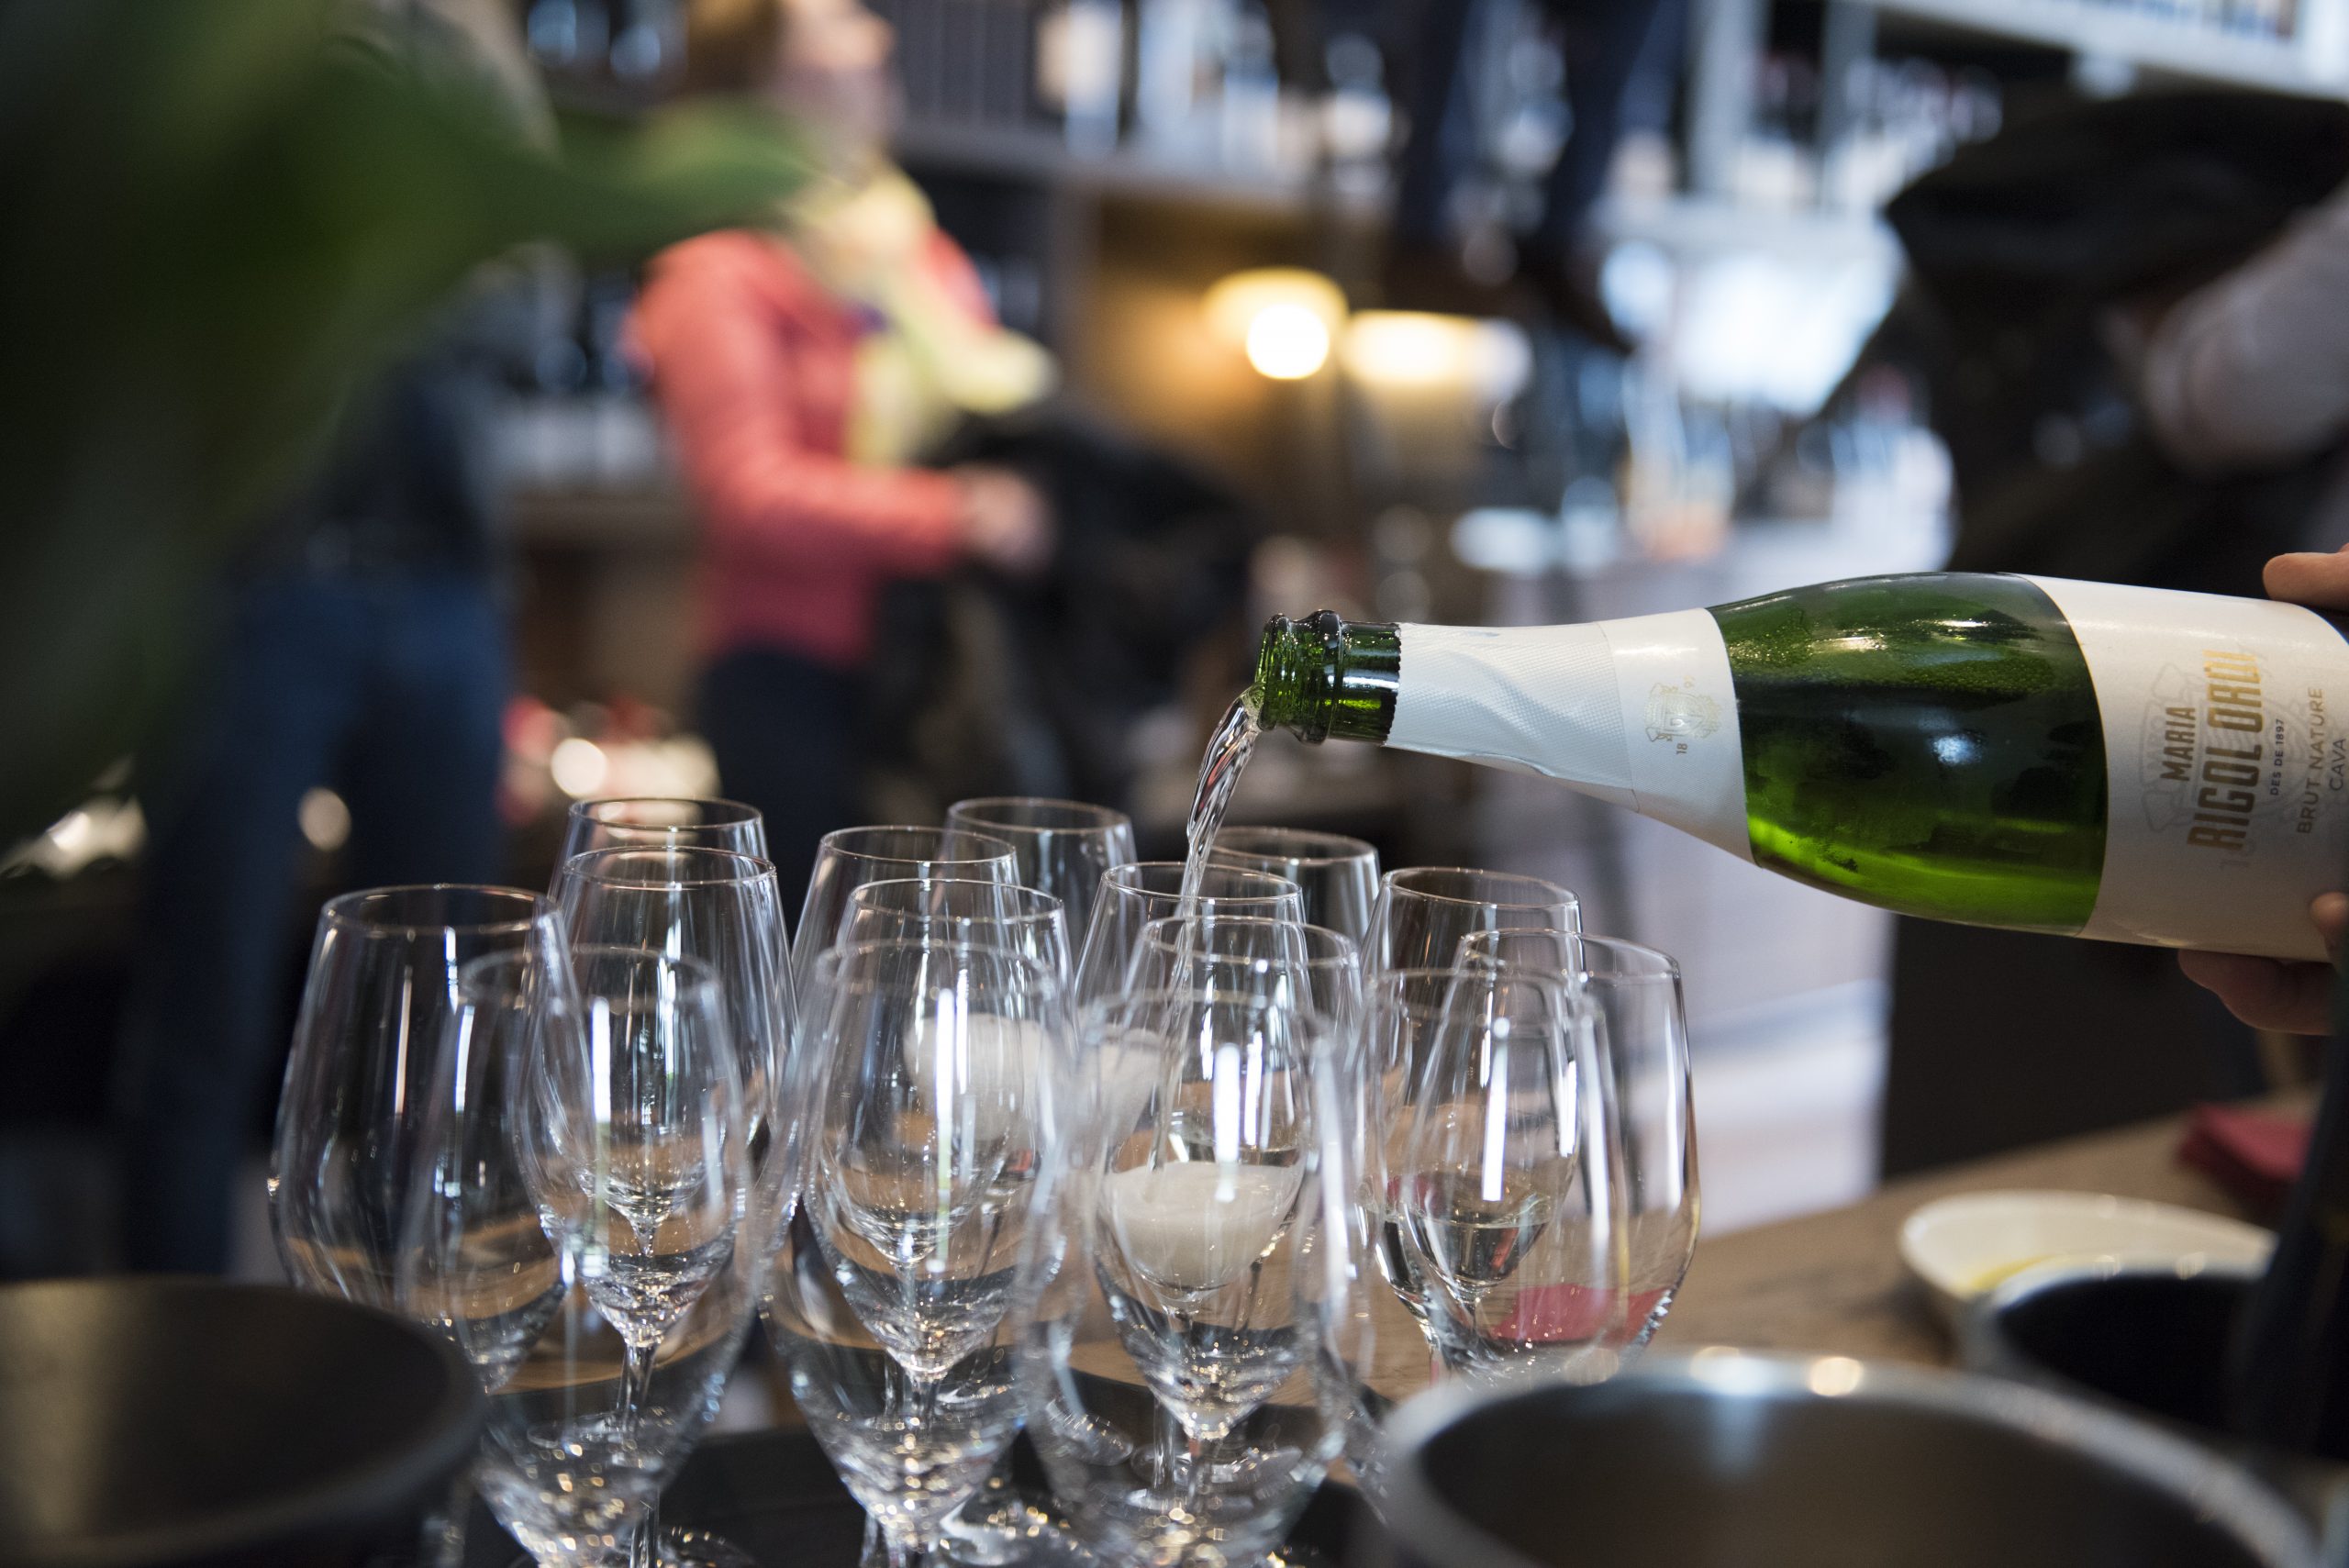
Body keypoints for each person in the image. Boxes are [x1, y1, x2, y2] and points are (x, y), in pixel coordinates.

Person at [112, 0, 545, 1273]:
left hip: (443, 595)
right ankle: (165, 1379)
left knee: (452, 1013)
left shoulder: (460, 47)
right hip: (249, 592)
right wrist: (408, 265)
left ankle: (428, 1351)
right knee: (204, 1007)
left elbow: (524, 309)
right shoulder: (227, 44)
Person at [630, 0, 1057, 905]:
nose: (880, 39)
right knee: (803, 983)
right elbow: (750, 495)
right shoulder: (720, 271)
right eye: (837, 21)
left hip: (924, 672)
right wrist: (958, 514)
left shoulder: (918, 259)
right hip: (792, 686)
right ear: (767, 85)